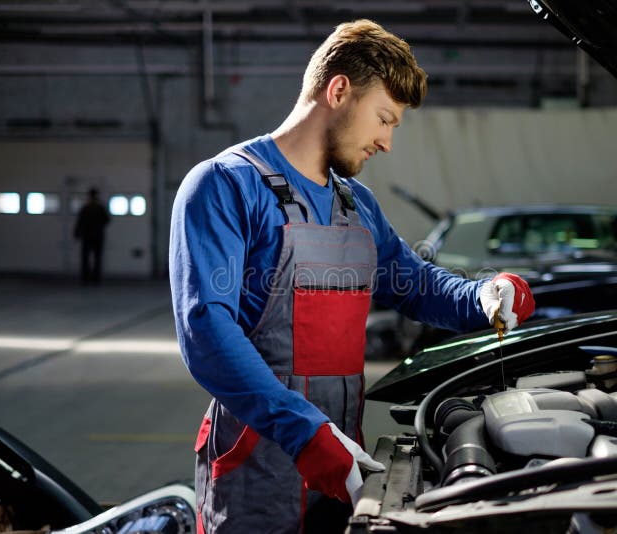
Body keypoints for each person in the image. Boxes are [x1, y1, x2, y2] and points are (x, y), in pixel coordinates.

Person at [169, 19, 535, 533]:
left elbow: (416, 283)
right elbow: (206, 331)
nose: (386, 142)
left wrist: (484, 294)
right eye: (384, 119)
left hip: (344, 464)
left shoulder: (355, 202)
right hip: (258, 470)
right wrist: (306, 434)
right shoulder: (225, 185)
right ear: (338, 90)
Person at [73, 187, 109, 285]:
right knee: (96, 257)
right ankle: (95, 279)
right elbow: (107, 220)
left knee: (86, 257)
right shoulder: (100, 207)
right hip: (97, 236)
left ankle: (86, 278)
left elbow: (79, 222)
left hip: (88, 236)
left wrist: (77, 233)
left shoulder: (86, 208)